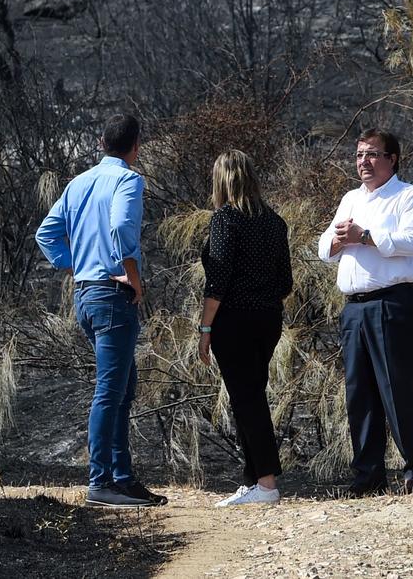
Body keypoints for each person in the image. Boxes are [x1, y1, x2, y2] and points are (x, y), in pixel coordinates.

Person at [36, 113, 168, 508]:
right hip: (113, 294)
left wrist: (78, 264)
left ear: (100, 142)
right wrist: (131, 276)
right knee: (111, 391)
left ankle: (122, 477)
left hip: (86, 295)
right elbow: (121, 229)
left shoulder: (78, 183)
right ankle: (101, 481)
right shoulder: (128, 180)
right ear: (136, 146)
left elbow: (46, 234)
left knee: (123, 388)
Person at [317, 128, 413, 495]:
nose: (363, 163)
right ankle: (367, 477)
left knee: (395, 389)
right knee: (360, 394)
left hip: (392, 302)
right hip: (354, 308)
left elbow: (411, 242)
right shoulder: (350, 198)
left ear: (392, 158)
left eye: (371, 155)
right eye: (358, 156)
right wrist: (338, 240)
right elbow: (324, 247)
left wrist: (365, 236)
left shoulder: (408, 196)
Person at [197, 149, 293, 507]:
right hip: (268, 318)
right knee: (253, 395)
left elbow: (217, 280)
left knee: (246, 399)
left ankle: (266, 484)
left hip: (234, 319)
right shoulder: (275, 222)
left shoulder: (225, 219)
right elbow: (286, 281)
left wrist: (205, 329)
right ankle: (253, 480)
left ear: (221, 180)